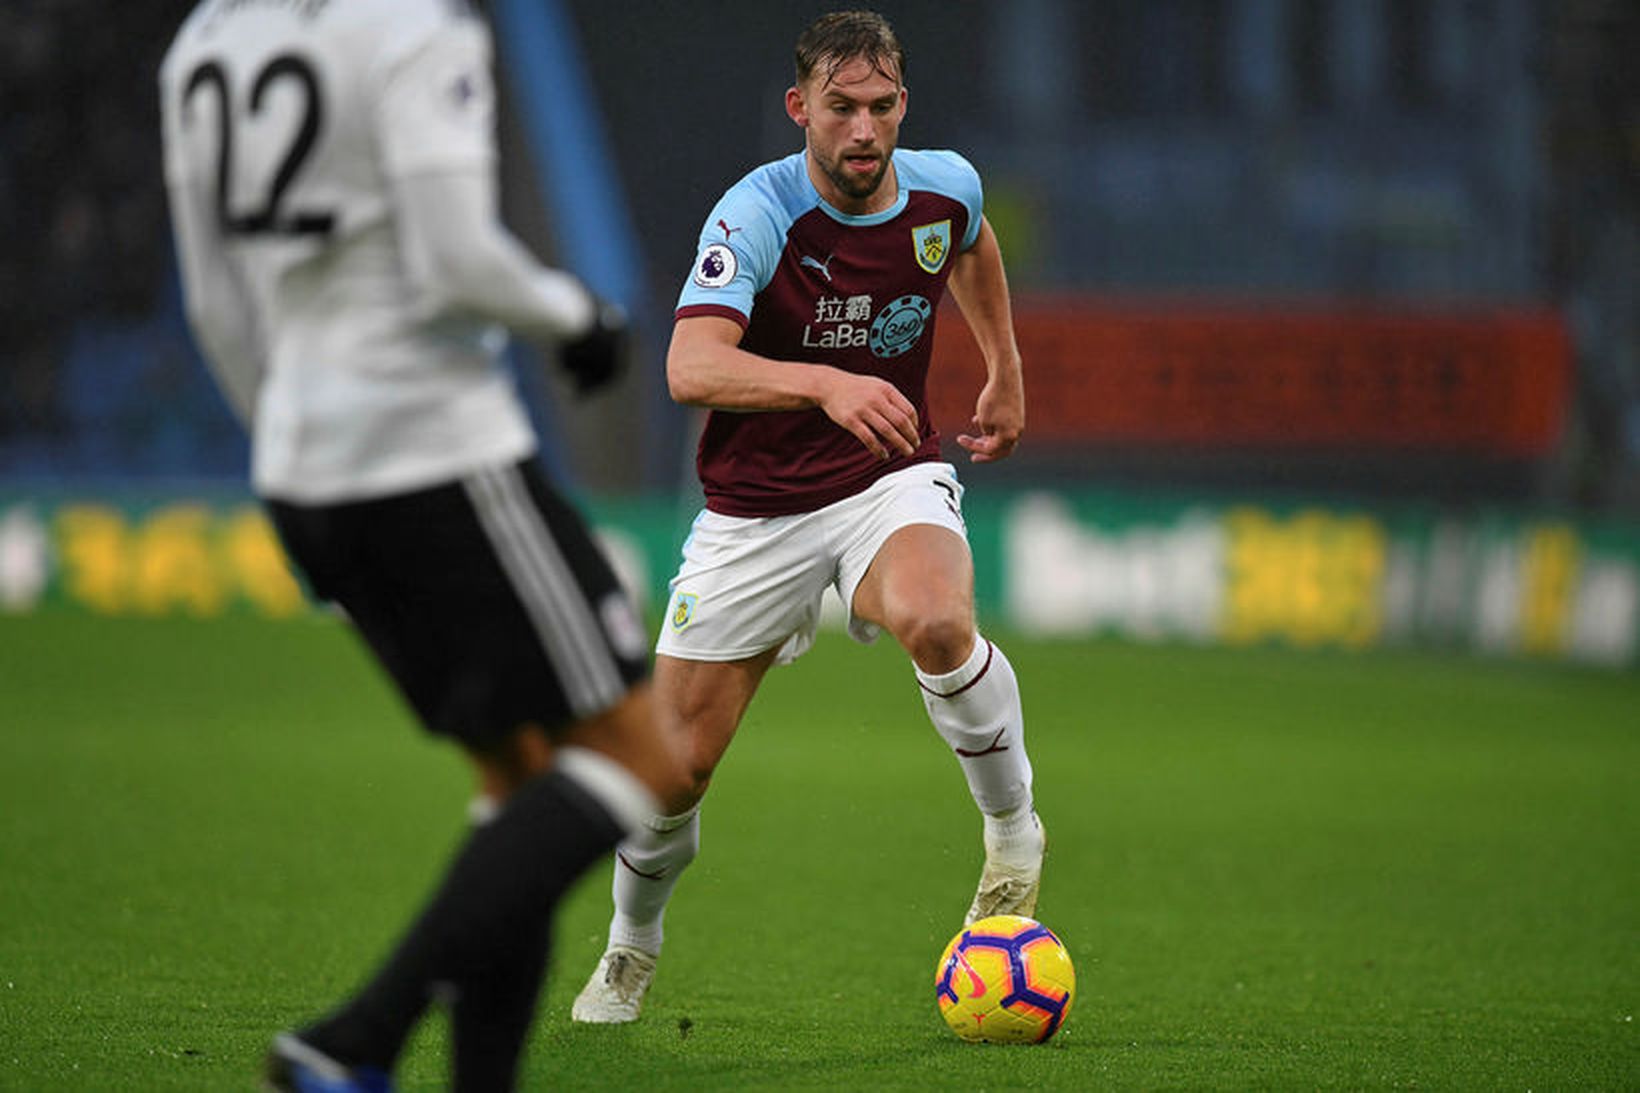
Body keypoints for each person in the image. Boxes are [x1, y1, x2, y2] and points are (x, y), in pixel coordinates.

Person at [159, 1, 688, 1089]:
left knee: (519, 777)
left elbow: (217, 305)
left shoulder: (206, 40)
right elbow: (455, 259)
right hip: (431, 448)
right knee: (641, 755)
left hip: (304, 465)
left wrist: (296, 449)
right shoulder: (409, 24)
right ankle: (354, 1037)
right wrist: (578, 317)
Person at [570, 9, 1044, 1025]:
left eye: (881, 107)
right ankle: (630, 942)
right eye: (841, 109)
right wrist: (823, 383)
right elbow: (688, 365)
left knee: (935, 618)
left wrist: (1003, 369)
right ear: (800, 109)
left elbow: (972, 243)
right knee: (671, 775)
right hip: (754, 511)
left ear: (901, 107)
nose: (863, 130)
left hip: (886, 476)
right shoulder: (756, 213)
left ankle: (1012, 840)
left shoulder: (942, 185)